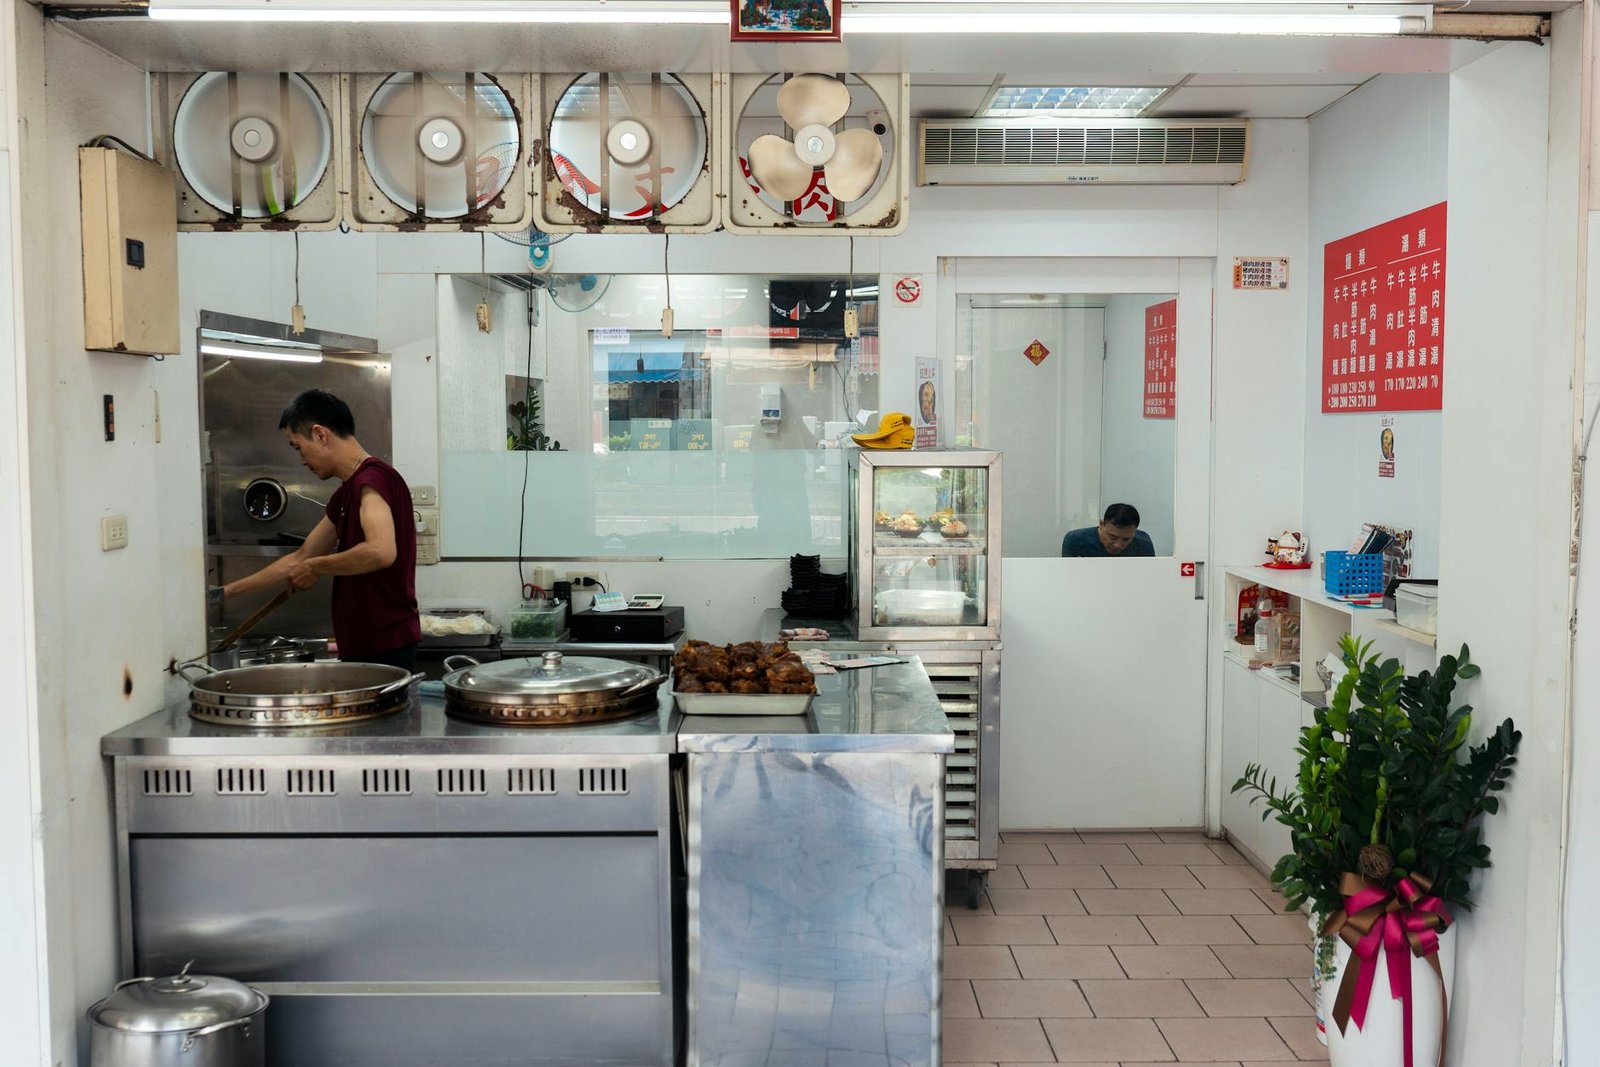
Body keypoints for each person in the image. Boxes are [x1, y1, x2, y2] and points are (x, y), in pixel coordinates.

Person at [213, 389, 421, 669]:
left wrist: (317, 566)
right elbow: (301, 557)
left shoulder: (372, 480)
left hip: (385, 645)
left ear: (320, 435)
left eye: (298, 446)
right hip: (362, 643)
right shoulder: (346, 494)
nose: (301, 459)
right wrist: (225, 592)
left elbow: (380, 551)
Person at [1062, 503, 1155, 558]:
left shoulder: (1143, 543)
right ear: (1101, 525)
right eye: (1112, 537)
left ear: (1134, 532)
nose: (1118, 545)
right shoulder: (1076, 540)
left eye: (1126, 539)